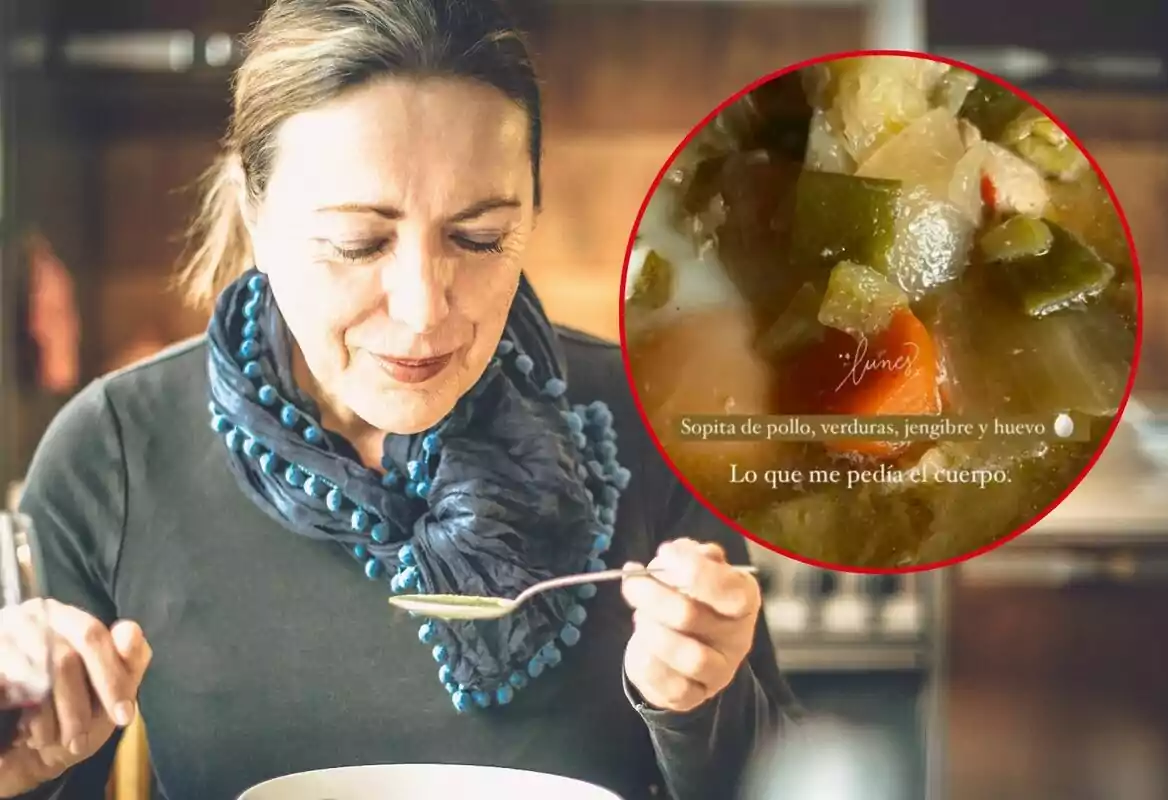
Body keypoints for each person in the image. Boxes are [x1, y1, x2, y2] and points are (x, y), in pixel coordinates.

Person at [1, 1, 795, 798]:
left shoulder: (645, 418)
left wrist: (698, 700)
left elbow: (772, 780)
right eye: (359, 243)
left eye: (479, 238)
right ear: (257, 215)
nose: (424, 311)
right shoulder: (113, 453)